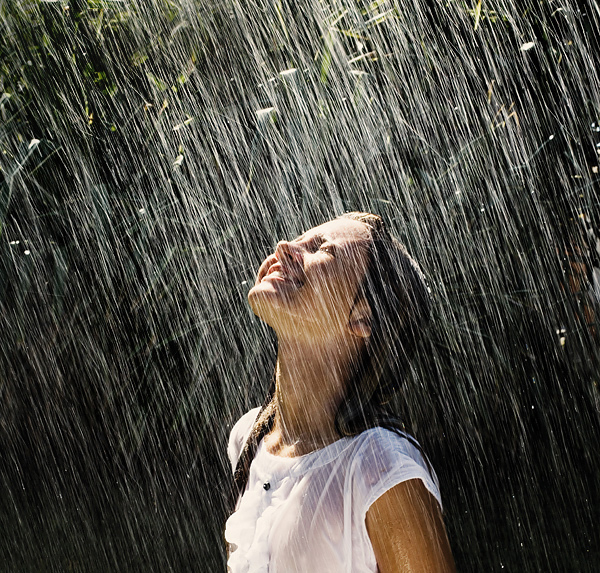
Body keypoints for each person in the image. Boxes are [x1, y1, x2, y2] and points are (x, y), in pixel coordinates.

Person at [225, 212, 456, 572]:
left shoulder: (382, 469)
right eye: (299, 238)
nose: (284, 247)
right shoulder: (249, 438)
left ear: (361, 319)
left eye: (320, 249)